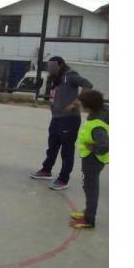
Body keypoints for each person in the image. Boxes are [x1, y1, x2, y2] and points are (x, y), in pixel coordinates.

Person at [30, 56, 93, 190]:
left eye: (52, 66)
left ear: (60, 65)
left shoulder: (70, 76)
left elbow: (88, 84)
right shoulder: (57, 78)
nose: (50, 69)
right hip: (57, 118)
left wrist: (77, 103)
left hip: (69, 119)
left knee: (67, 151)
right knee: (52, 146)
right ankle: (46, 170)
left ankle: (63, 179)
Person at [70, 90, 108, 229]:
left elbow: (105, 146)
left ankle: (89, 219)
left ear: (89, 106)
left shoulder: (97, 124)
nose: (80, 105)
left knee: (91, 188)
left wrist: (93, 148)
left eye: (82, 103)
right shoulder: (98, 113)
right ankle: (88, 211)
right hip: (90, 158)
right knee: (88, 186)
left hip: (93, 159)